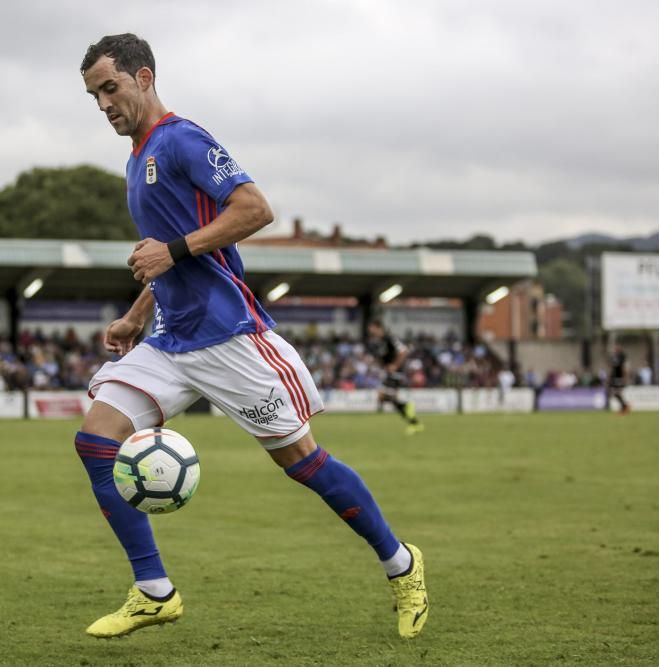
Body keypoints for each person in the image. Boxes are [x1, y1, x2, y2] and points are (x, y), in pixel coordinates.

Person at [76, 33, 428, 640]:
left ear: (144, 77)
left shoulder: (183, 139)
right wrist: (138, 313)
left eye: (110, 88)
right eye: (93, 95)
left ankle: (402, 563)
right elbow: (168, 257)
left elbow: (254, 209)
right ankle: (155, 590)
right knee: (96, 440)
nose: (104, 103)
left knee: (303, 463)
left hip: (228, 334)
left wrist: (173, 251)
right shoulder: (136, 159)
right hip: (169, 339)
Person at [366, 320, 423, 435]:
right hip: (390, 373)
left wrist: (395, 365)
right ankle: (414, 422)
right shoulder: (379, 342)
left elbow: (403, 351)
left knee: (383, 397)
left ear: (378, 328)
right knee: (386, 398)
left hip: (396, 372)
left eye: (371, 328)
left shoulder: (390, 338)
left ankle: (409, 411)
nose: (370, 331)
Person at [608, 344, 630, 414]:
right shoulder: (614, 357)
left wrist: (625, 377)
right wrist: (610, 377)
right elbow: (612, 368)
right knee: (615, 393)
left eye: (617, 348)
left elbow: (624, 368)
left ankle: (624, 407)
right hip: (614, 377)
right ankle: (624, 406)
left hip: (620, 377)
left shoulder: (622, 357)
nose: (615, 349)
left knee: (618, 393)